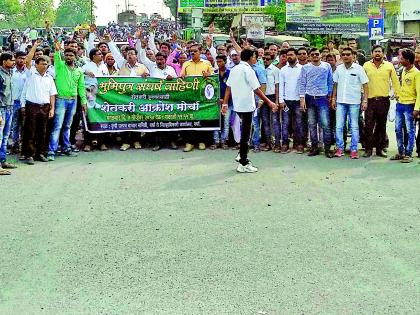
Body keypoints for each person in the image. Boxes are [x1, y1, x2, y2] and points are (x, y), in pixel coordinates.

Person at [222, 48, 277, 173]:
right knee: (246, 134)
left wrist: (225, 104)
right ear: (250, 57)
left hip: (238, 106)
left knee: (247, 131)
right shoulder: (248, 70)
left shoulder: (235, 69)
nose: (256, 59)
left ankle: (242, 153)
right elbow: (257, 89)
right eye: (254, 56)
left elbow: (228, 88)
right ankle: (243, 163)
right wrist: (269, 102)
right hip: (246, 106)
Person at [47, 41, 87, 161]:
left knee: (67, 126)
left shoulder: (79, 71)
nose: (69, 57)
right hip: (60, 100)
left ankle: (66, 147)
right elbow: (57, 56)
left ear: (75, 57)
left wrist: (83, 102)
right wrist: (58, 50)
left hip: (73, 101)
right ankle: (51, 150)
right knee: (57, 126)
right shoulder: (59, 66)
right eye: (67, 55)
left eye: (71, 55)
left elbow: (81, 87)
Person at [21, 44, 57, 165]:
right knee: (30, 131)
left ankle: (40, 153)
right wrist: (35, 46)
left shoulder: (49, 78)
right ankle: (29, 155)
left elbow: (52, 94)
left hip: (45, 107)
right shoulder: (31, 73)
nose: (44, 65)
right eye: (42, 63)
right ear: (36, 65)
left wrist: (52, 108)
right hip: (32, 106)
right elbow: (28, 60)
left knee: (43, 131)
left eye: (46, 64)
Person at [331, 47, 369, 159]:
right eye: (344, 54)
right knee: (339, 126)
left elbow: (365, 85)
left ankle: (354, 149)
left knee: (354, 127)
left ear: (353, 56)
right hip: (340, 102)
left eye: (348, 54)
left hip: (354, 102)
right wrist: (333, 98)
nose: (346, 56)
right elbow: (335, 84)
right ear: (341, 56)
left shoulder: (359, 69)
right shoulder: (339, 69)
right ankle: (340, 148)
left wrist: (365, 100)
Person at [363, 45, 401, 158]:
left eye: (379, 51)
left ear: (383, 53)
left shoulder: (389, 66)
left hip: (384, 101)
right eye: (375, 51)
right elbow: (362, 82)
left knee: (381, 126)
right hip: (370, 100)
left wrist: (397, 94)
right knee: (368, 126)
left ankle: (380, 149)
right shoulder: (366, 65)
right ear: (372, 53)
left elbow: (395, 81)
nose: (377, 53)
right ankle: (368, 149)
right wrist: (363, 98)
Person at [299, 47, 334, 158]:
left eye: (317, 54)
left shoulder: (326, 66)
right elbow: (302, 83)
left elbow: (330, 81)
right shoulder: (305, 68)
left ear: (320, 55)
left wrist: (329, 94)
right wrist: (302, 99)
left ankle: (327, 148)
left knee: (325, 124)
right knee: (312, 124)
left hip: (323, 98)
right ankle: (314, 147)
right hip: (309, 98)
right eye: (313, 54)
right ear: (310, 56)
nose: (315, 56)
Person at [180, 43, 213, 152]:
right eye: (191, 51)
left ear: (200, 52)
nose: (192, 53)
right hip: (190, 96)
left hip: (203, 96)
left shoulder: (207, 63)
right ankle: (189, 143)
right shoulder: (186, 64)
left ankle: (201, 141)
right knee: (190, 119)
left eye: (195, 51)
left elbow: (213, 79)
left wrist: (209, 76)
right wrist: (182, 77)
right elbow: (181, 78)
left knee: (202, 119)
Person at [393, 49, 420, 163]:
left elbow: (419, 93)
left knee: (410, 130)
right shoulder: (403, 70)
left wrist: (417, 108)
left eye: (402, 58)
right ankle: (401, 152)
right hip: (400, 104)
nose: (400, 60)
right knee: (398, 129)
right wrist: (397, 95)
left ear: (408, 60)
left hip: (410, 106)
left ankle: (408, 154)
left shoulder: (417, 74)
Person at [279, 47, 304, 154]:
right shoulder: (283, 70)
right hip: (286, 101)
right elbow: (281, 86)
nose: (289, 57)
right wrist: (281, 100)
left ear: (296, 56)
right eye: (287, 55)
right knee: (285, 123)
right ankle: (285, 144)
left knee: (299, 123)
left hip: (298, 100)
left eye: (291, 55)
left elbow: (303, 85)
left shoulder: (302, 68)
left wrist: (302, 99)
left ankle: (299, 144)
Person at [0, 52, 17, 175]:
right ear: (4, 61)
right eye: (11, 60)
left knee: (5, 136)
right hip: (1, 109)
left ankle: (3, 160)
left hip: (9, 107)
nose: (14, 62)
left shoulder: (10, 72)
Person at [261, 52, 280, 151]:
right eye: (264, 59)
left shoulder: (275, 70)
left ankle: (277, 144)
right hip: (262, 97)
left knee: (275, 121)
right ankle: (268, 143)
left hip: (272, 97)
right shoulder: (260, 69)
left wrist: (277, 101)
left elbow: (277, 86)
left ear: (272, 60)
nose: (265, 60)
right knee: (265, 122)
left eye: (267, 59)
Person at [212, 55, 231, 150]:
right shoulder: (214, 73)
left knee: (226, 122)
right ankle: (216, 141)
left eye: (220, 62)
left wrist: (225, 100)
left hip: (228, 102)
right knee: (216, 122)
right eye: (217, 62)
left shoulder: (230, 73)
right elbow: (211, 88)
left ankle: (224, 141)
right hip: (216, 102)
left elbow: (232, 88)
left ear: (225, 61)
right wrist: (218, 99)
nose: (219, 64)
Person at [11, 50, 28, 153]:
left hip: (26, 102)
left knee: (25, 125)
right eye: (20, 58)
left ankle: (24, 146)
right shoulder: (11, 71)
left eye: (23, 58)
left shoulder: (29, 71)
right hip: (13, 102)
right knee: (14, 125)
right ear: (15, 58)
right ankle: (15, 144)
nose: (22, 60)